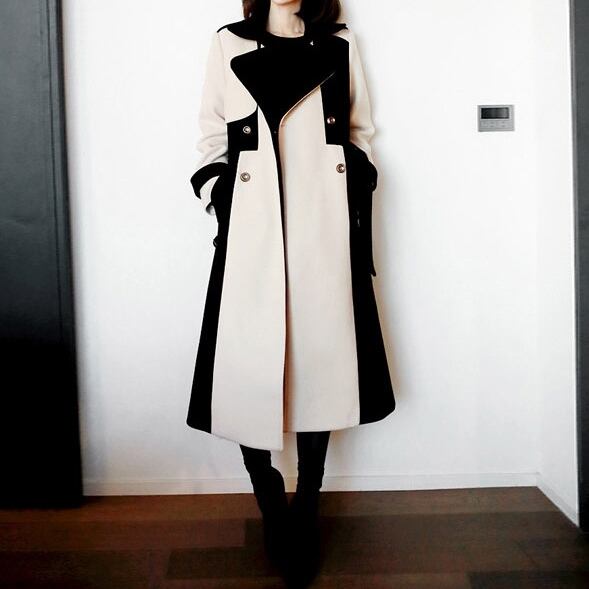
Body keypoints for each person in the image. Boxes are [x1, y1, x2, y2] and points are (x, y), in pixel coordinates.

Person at [189, 0, 395, 585]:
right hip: (252, 233)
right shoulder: (228, 43)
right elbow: (211, 138)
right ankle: (269, 500)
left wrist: (349, 189)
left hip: (321, 232)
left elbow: (360, 132)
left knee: (318, 362)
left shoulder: (339, 44)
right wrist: (223, 198)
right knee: (245, 364)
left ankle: (307, 504)